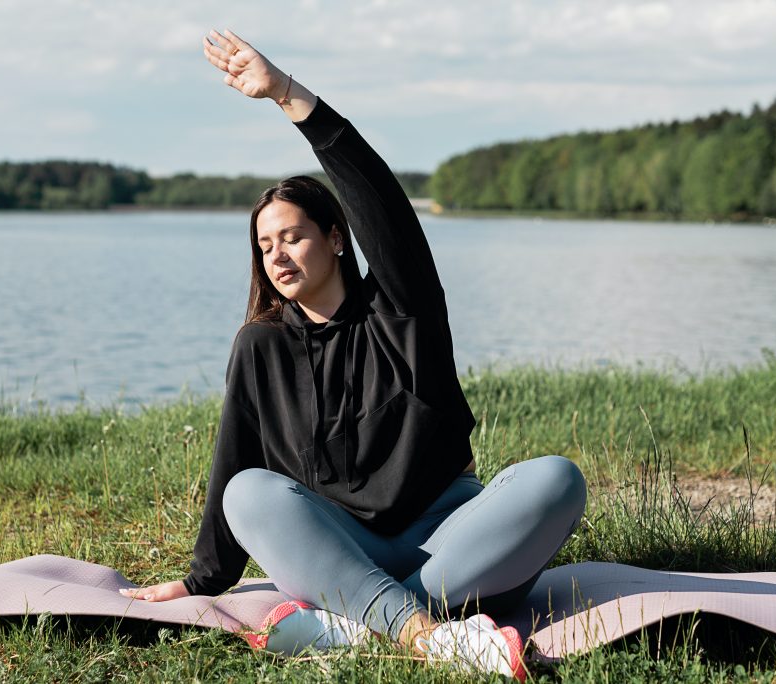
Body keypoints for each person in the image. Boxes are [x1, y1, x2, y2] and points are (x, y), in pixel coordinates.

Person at [122, 29, 587, 678]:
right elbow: (236, 455)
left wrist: (288, 95)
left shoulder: (399, 313)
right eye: (265, 245)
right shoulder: (260, 345)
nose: (277, 255)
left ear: (337, 239)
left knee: (555, 479)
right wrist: (203, 581)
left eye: (293, 237)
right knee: (248, 493)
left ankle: (363, 626)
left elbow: (386, 210)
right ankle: (426, 630)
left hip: (447, 539)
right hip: (339, 547)